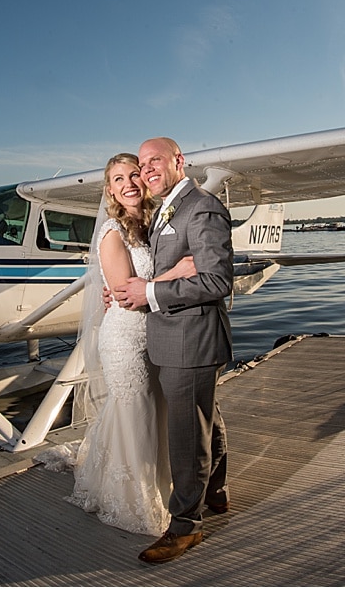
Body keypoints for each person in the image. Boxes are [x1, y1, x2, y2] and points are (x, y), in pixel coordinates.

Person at [39, 153, 196, 536]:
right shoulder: (113, 231)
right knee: (136, 411)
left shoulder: (155, 222)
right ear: (109, 189)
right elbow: (126, 295)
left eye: (134, 175)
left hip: (158, 334)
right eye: (118, 179)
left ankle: (166, 486)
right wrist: (177, 272)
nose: (128, 183)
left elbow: (140, 285)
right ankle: (136, 501)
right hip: (126, 336)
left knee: (153, 412)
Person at [115, 137, 233, 565]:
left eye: (155, 160)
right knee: (205, 419)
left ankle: (186, 528)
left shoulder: (200, 206)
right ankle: (215, 490)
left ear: (179, 161)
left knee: (187, 436)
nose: (146, 169)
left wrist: (149, 291)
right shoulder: (168, 206)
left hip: (191, 340)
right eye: (142, 162)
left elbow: (218, 282)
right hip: (173, 337)